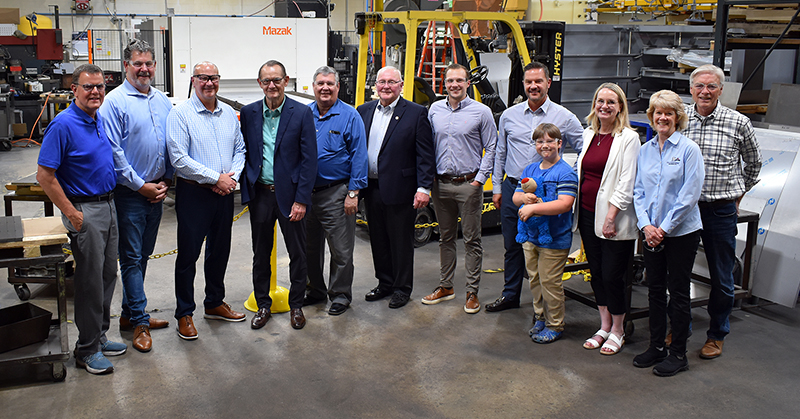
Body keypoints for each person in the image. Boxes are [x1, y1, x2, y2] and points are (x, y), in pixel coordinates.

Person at [37, 64, 127, 374]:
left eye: (100, 86)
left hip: (108, 205)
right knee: (89, 282)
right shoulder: (63, 125)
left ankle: (98, 336)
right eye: (88, 86)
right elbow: (45, 176)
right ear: (74, 89)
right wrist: (71, 212)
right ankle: (86, 350)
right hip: (85, 210)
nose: (95, 92)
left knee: (106, 276)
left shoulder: (96, 118)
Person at [488, 61, 583, 312]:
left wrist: (569, 174)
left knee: (544, 245)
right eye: (529, 82)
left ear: (548, 83)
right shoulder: (509, 116)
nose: (533, 86)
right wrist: (497, 187)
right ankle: (510, 295)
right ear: (523, 84)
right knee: (513, 244)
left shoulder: (564, 117)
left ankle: (542, 307)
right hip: (514, 189)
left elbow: (584, 147)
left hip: (548, 193)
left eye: (538, 81)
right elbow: (500, 153)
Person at [99, 39, 172, 353]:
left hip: (157, 192)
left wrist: (167, 179)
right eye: (137, 63)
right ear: (126, 66)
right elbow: (114, 154)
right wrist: (140, 186)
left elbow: (172, 142)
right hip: (130, 194)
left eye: (149, 63)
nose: (144, 69)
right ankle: (140, 322)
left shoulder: (162, 100)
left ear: (155, 66)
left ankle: (130, 315)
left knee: (141, 258)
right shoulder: (114, 103)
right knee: (130, 260)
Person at [683, 64, 761, 360]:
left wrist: (737, 194)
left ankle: (717, 334)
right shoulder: (680, 119)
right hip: (684, 210)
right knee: (677, 272)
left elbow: (754, 165)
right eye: (699, 86)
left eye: (711, 86)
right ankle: (679, 327)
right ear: (691, 90)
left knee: (721, 275)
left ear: (720, 90)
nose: (705, 92)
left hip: (719, 209)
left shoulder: (738, 122)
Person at [166, 61, 247, 340]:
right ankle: (184, 313)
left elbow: (240, 148)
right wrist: (216, 178)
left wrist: (231, 178)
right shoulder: (180, 115)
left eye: (214, 78)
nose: (209, 83)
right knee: (188, 255)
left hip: (224, 193)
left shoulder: (228, 114)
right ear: (193, 80)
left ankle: (214, 302)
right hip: (194, 194)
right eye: (203, 77)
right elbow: (179, 160)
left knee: (219, 251)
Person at [240, 60, 317, 330]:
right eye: (266, 81)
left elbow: (309, 160)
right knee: (260, 254)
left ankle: (296, 305)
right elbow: (245, 152)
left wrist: (302, 199)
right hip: (260, 194)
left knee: (298, 252)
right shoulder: (249, 113)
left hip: (291, 197)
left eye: (277, 80)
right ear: (259, 84)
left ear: (286, 81)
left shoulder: (302, 112)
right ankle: (263, 305)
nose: (271, 85)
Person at [632, 90, 704, 377]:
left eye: (669, 113)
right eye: (658, 112)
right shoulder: (645, 149)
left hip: (681, 233)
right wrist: (646, 225)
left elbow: (689, 195)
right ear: (651, 116)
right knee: (654, 291)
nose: (663, 117)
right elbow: (638, 191)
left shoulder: (688, 150)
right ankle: (656, 346)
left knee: (678, 292)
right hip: (651, 232)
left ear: (677, 118)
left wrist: (663, 229)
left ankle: (678, 353)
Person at [356, 66, 436, 309]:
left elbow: (425, 154)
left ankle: (402, 288)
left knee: (401, 241)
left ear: (401, 86)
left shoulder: (416, 113)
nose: (386, 86)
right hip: (371, 188)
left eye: (392, 82)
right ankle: (385, 283)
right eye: (382, 82)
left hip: (402, 188)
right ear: (376, 85)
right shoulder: (364, 111)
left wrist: (424, 187)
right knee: (377, 239)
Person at [421, 63, 497, 314]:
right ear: (445, 83)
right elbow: (427, 145)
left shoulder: (481, 112)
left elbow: (492, 147)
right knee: (445, 238)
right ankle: (446, 286)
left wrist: (479, 180)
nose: (454, 85)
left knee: (472, 240)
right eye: (450, 81)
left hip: (468, 184)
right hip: (440, 185)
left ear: (468, 83)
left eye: (459, 81)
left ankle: (472, 292)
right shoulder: (434, 110)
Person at [575, 83, 640, 355]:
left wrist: (611, 216)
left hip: (613, 218)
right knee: (597, 272)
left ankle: (618, 329)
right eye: (600, 101)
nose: (604, 106)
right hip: (588, 215)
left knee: (614, 275)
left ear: (620, 107)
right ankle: (603, 325)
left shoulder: (628, 138)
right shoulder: (588, 133)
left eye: (611, 102)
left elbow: (627, 182)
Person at [303, 66, 367, 316]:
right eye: (320, 83)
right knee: (309, 248)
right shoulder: (304, 114)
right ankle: (314, 290)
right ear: (313, 86)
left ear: (338, 87)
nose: (325, 88)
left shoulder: (350, 116)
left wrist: (353, 193)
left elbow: (359, 155)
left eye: (330, 83)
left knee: (341, 250)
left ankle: (340, 294)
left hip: (336, 193)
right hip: (306, 195)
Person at [513, 123, 578, 343]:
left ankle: (555, 324)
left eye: (550, 141)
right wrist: (523, 199)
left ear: (560, 144)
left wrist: (533, 208)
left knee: (550, 282)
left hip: (555, 238)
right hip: (530, 237)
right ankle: (540, 316)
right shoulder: (530, 170)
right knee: (535, 279)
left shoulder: (565, 172)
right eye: (540, 141)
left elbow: (564, 204)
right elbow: (515, 197)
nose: (545, 145)